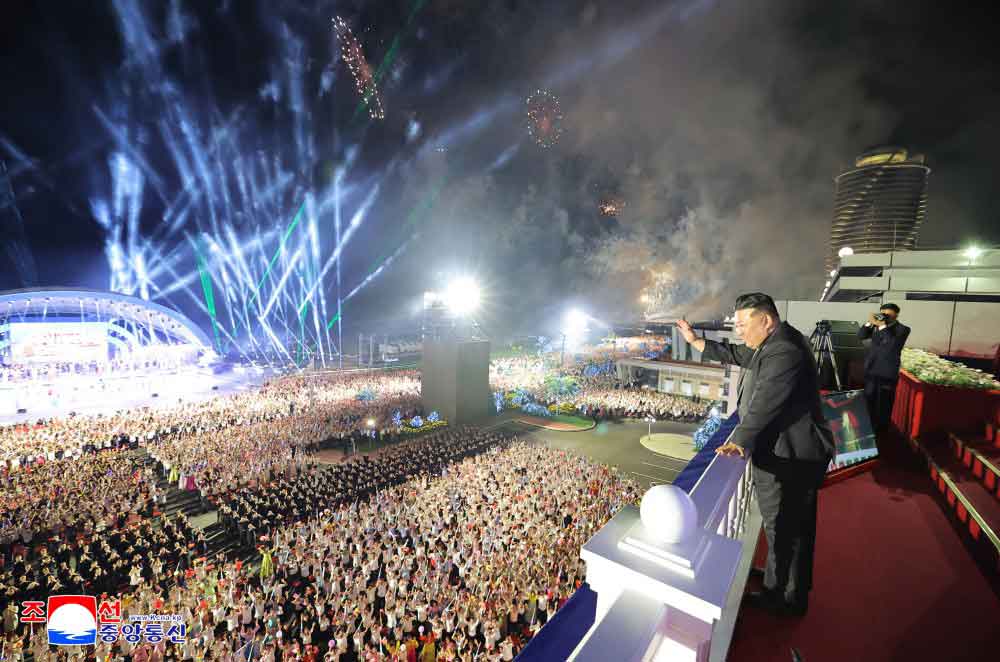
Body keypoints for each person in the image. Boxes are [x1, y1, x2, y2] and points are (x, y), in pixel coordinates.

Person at [677, 292, 835, 616]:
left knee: (784, 527)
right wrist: (695, 341)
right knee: (793, 527)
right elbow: (737, 353)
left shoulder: (784, 351)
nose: (738, 331)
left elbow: (765, 402)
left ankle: (781, 598)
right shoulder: (775, 342)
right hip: (792, 452)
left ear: (766, 320)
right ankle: (790, 586)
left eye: (742, 324)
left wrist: (740, 439)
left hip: (789, 457)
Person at [857, 303, 911, 431]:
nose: (885, 317)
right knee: (869, 401)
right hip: (872, 370)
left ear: (896, 315)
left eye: (888, 315)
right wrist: (869, 323)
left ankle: (882, 431)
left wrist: (882, 325)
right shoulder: (876, 326)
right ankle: (868, 429)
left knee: (884, 405)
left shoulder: (902, 329)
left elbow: (891, 345)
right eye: (883, 314)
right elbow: (861, 336)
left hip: (887, 373)